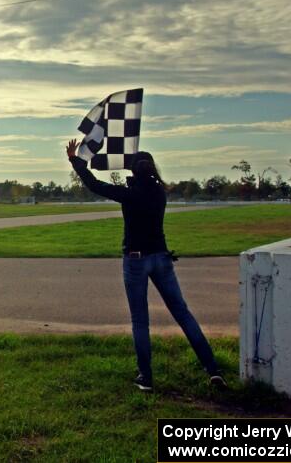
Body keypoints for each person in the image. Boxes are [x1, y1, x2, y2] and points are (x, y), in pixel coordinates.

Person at [65, 139, 226, 392]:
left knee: (140, 321)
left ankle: (146, 377)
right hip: (161, 257)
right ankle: (212, 369)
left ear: (132, 170)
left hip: (136, 260)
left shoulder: (131, 194)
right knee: (183, 314)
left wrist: (76, 161)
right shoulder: (159, 192)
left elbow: (94, 184)